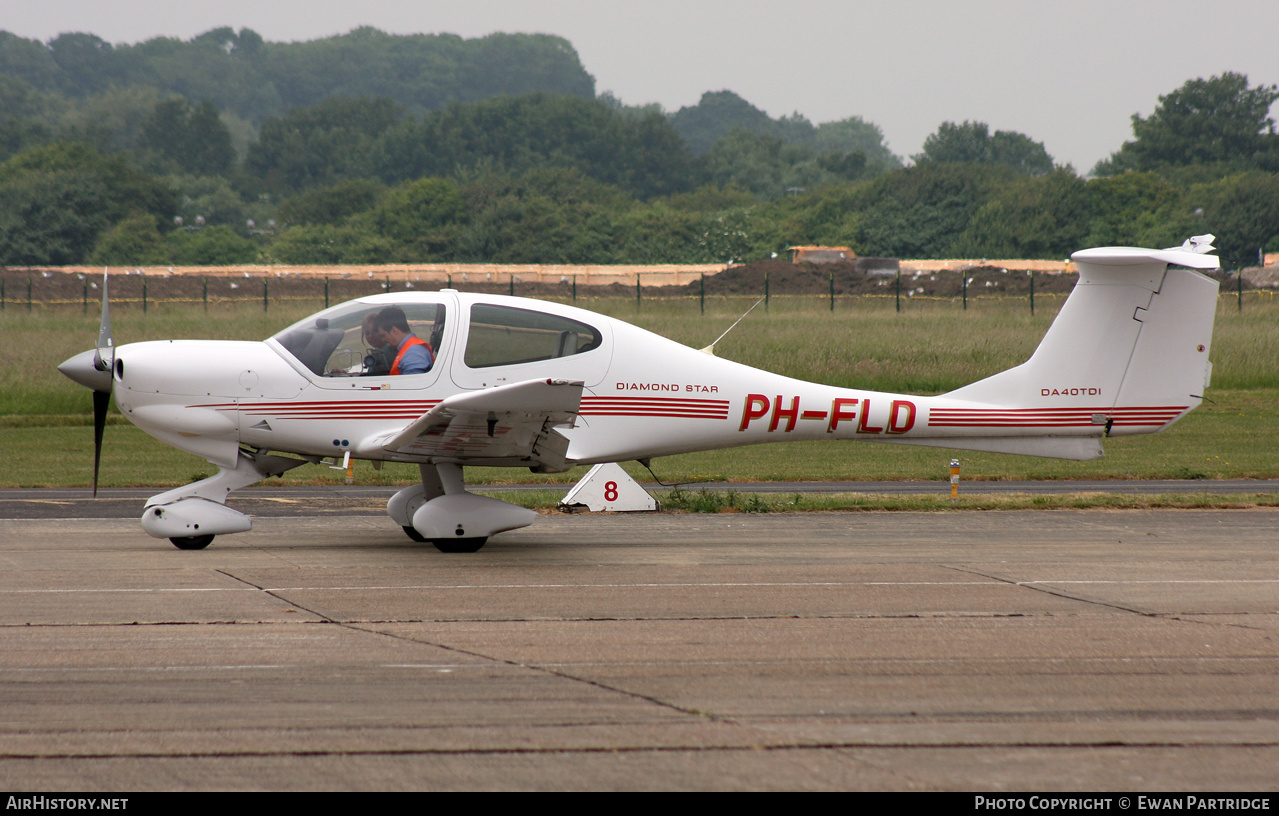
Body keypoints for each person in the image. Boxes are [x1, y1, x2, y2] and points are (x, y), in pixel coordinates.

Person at [376, 306, 433, 375]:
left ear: (394, 330)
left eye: (383, 335)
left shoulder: (414, 352)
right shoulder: (410, 348)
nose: (383, 340)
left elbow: (413, 384)